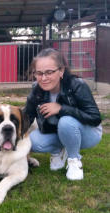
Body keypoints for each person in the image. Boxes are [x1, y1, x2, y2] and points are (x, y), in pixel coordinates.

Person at [23, 48, 102, 180]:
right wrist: (7, 134)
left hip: (88, 134)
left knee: (66, 121)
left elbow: (95, 118)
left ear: (61, 71)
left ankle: (74, 160)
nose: (43, 78)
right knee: (32, 141)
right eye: (39, 73)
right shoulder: (36, 90)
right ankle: (58, 152)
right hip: (58, 132)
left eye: (49, 72)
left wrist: (61, 109)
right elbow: (26, 118)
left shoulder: (77, 85)